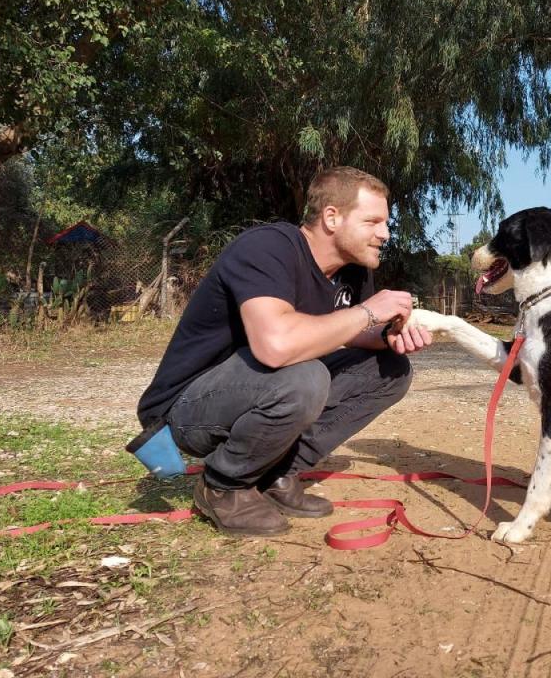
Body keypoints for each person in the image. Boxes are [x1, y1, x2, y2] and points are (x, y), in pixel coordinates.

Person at [137, 167, 433, 536]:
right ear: (332, 218)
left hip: (261, 387)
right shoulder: (267, 248)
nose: (385, 233)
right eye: (372, 221)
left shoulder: (353, 271)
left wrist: (389, 334)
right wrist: (369, 311)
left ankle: (277, 474)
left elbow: (354, 330)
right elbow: (275, 347)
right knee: (306, 375)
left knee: (391, 369)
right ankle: (224, 486)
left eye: (385, 222)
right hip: (187, 408)